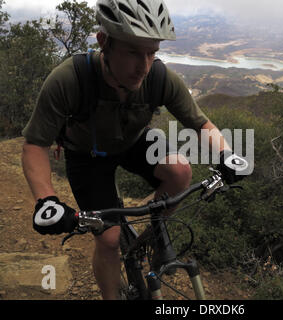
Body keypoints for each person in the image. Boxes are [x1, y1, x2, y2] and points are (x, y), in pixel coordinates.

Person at [21, 0, 248, 300]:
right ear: (104, 42)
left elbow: (201, 123)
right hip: (87, 156)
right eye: (132, 52)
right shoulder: (69, 79)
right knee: (109, 239)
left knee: (180, 172)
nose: (143, 66)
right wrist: (46, 200)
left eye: (151, 53)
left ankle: (146, 240)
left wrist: (226, 155)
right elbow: (35, 144)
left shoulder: (158, 77)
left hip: (133, 142)